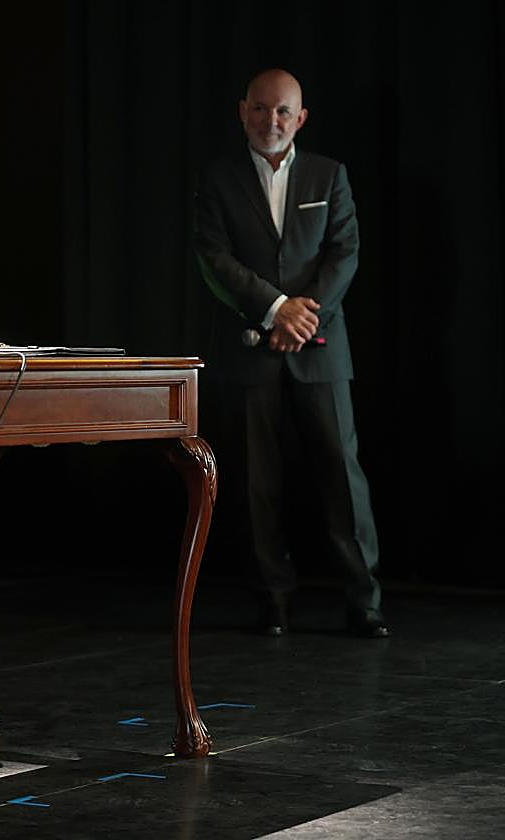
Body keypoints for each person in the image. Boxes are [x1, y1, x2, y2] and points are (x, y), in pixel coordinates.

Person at [195, 69, 388, 639]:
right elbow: (214, 258)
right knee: (259, 482)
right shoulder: (219, 178)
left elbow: (344, 253)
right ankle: (272, 600)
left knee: (342, 478)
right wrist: (276, 309)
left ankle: (364, 600)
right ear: (242, 111)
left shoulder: (331, 175)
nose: (270, 121)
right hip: (250, 350)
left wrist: (302, 318)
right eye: (260, 109)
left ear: (300, 118)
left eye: (282, 112)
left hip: (321, 349)